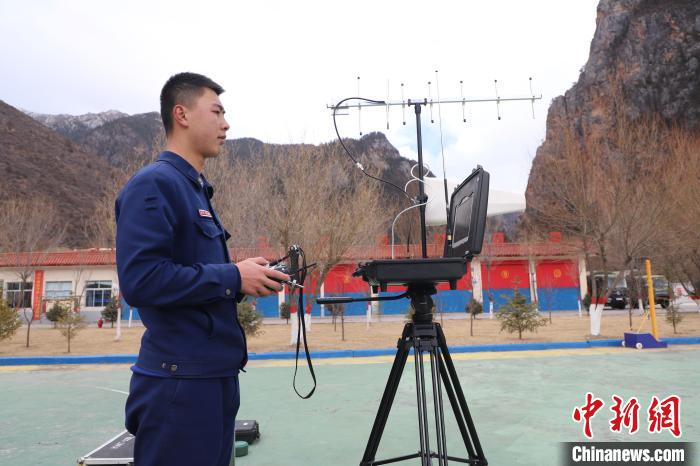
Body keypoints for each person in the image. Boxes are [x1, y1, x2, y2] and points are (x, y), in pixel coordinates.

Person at [115, 72, 288, 466]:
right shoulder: (154, 184)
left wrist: (244, 278)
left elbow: (192, 275)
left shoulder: (194, 188)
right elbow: (142, 281)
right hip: (179, 385)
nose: (226, 124)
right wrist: (233, 276)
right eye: (217, 112)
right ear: (182, 115)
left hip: (212, 378)